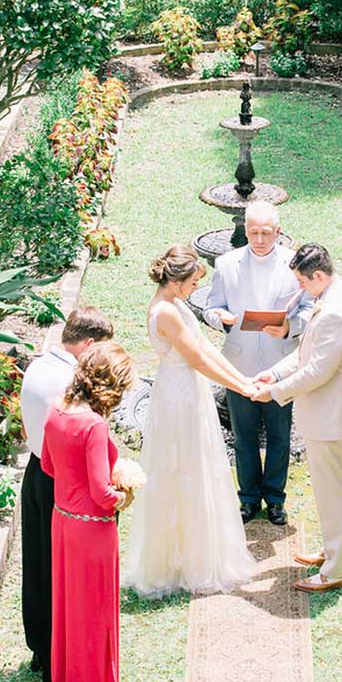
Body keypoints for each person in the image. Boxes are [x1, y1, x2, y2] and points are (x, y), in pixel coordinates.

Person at [123, 245, 257, 598]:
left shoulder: (178, 303)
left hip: (190, 390)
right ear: (178, 281)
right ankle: (178, 560)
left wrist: (243, 381)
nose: (196, 288)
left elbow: (206, 348)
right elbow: (196, 359)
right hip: (177, 396)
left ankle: (200, 552)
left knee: (200, 466)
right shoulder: (165, 311)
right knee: (181, 469)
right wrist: (239, 388)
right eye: (194, 282)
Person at [253, 244, 342, 593]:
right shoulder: (333, 295)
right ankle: (333, 552)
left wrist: (274, 392)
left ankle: (338, 568)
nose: (299, 287)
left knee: (335, 493)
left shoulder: (336, 311)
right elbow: (306, 353)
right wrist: (274, 373)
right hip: (325, 414)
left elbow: (317, 371)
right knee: (328, 491)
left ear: (318, 275)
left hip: (332, 417)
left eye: (302, 281)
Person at [19, 305, 113, 682]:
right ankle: (58, 660)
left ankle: (41, 648)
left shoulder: (37, 365)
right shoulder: (69, 383)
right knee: (59, 573)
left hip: (35, 470)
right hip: (59, 479)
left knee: (37, 565)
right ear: (88, 344)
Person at [41, 340, 135, 682]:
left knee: (65, 608)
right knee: (94, 611)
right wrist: (124, 495)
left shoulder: (56, 411)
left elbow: (48, 466)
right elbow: (101, 492)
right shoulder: (93, 425)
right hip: (92, 530)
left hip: (62, 522)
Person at [203, 200, 313, 526]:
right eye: (254, 232)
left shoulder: (295, 267)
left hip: (282, 364)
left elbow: (309, 310)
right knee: (244, 436)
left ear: (279, 232)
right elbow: (211, 307)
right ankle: (248, 499)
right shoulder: (226, 264)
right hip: (239, 364)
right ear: (246, 231)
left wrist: (290, 326)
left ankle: (276, 499)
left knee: (280, 436)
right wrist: (220, 318)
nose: (260, 239)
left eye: (267, 233)